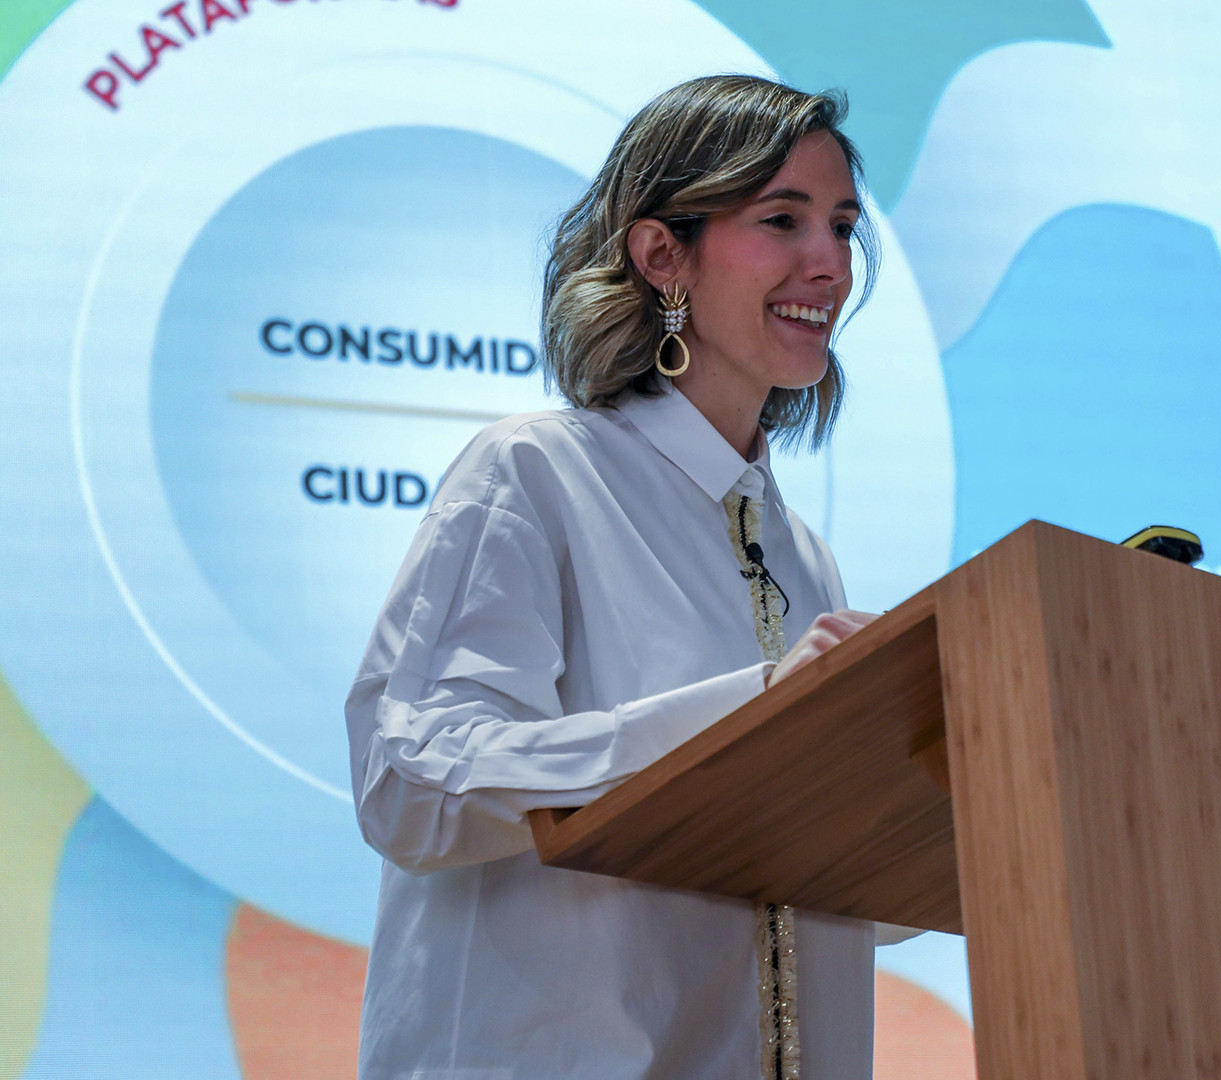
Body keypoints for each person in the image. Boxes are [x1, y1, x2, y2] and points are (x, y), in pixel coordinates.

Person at [344, 75, 888, 1080]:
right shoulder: (533, 475)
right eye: (784, 220)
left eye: (845, 228)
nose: (831, 264)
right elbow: (412, 785)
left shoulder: (805, 558)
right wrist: (749, 717)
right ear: (660, 254)